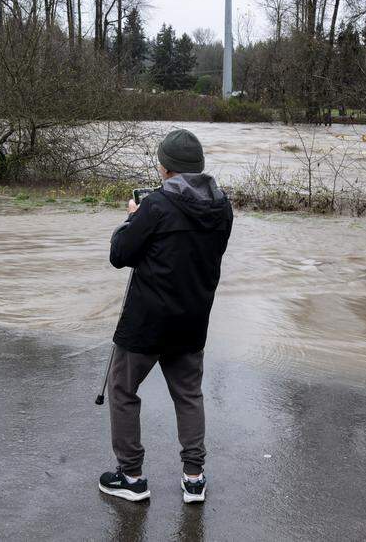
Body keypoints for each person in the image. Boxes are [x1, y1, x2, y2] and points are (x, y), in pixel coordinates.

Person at [98, 129, 233, 504]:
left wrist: (131, 219)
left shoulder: (156, 206)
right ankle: (194, 478)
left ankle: (131, 477)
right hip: (192, 319)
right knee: (188, 394)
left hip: (147, 321)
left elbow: (120, 253)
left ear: (166, 167)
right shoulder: (222, 206)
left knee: (123, 390)